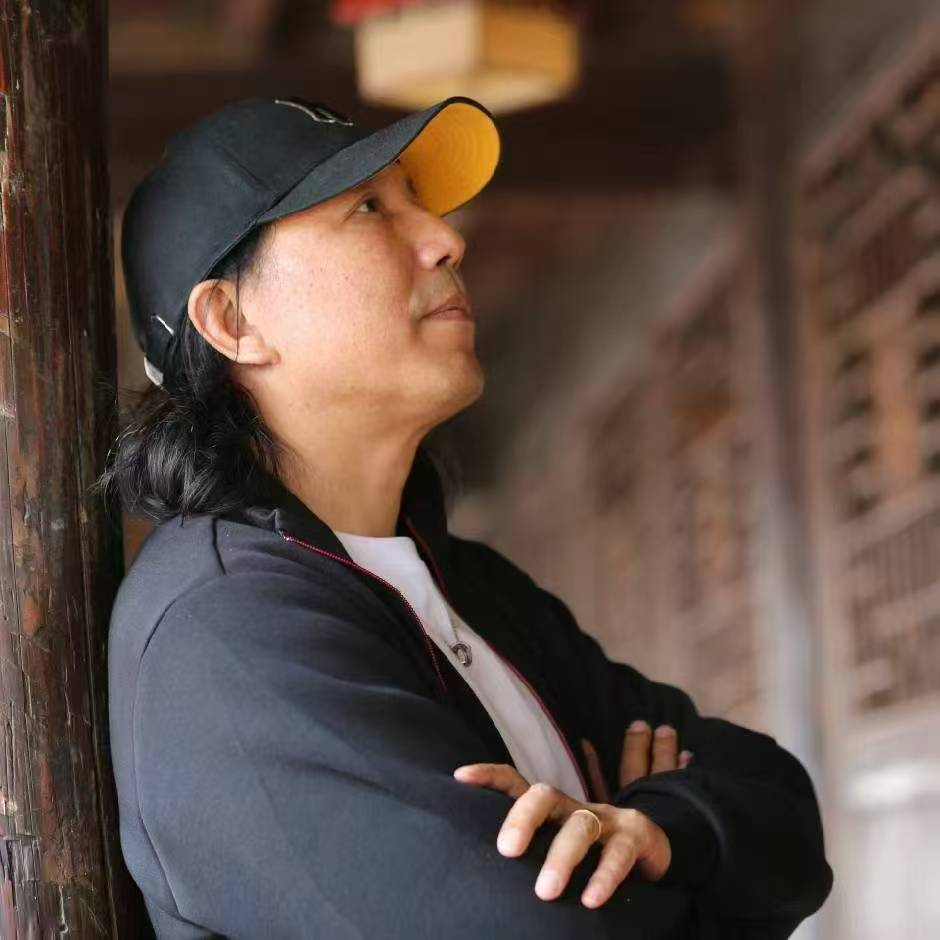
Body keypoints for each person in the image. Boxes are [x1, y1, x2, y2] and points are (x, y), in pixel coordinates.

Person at [100, 94, 833, 939]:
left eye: (417, 200)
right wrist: (695, 869)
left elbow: (786, 815)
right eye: (368, 208)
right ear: (233, 321)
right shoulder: (228, 632)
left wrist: (665, 829)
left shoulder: (474, 586)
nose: (446, 238)